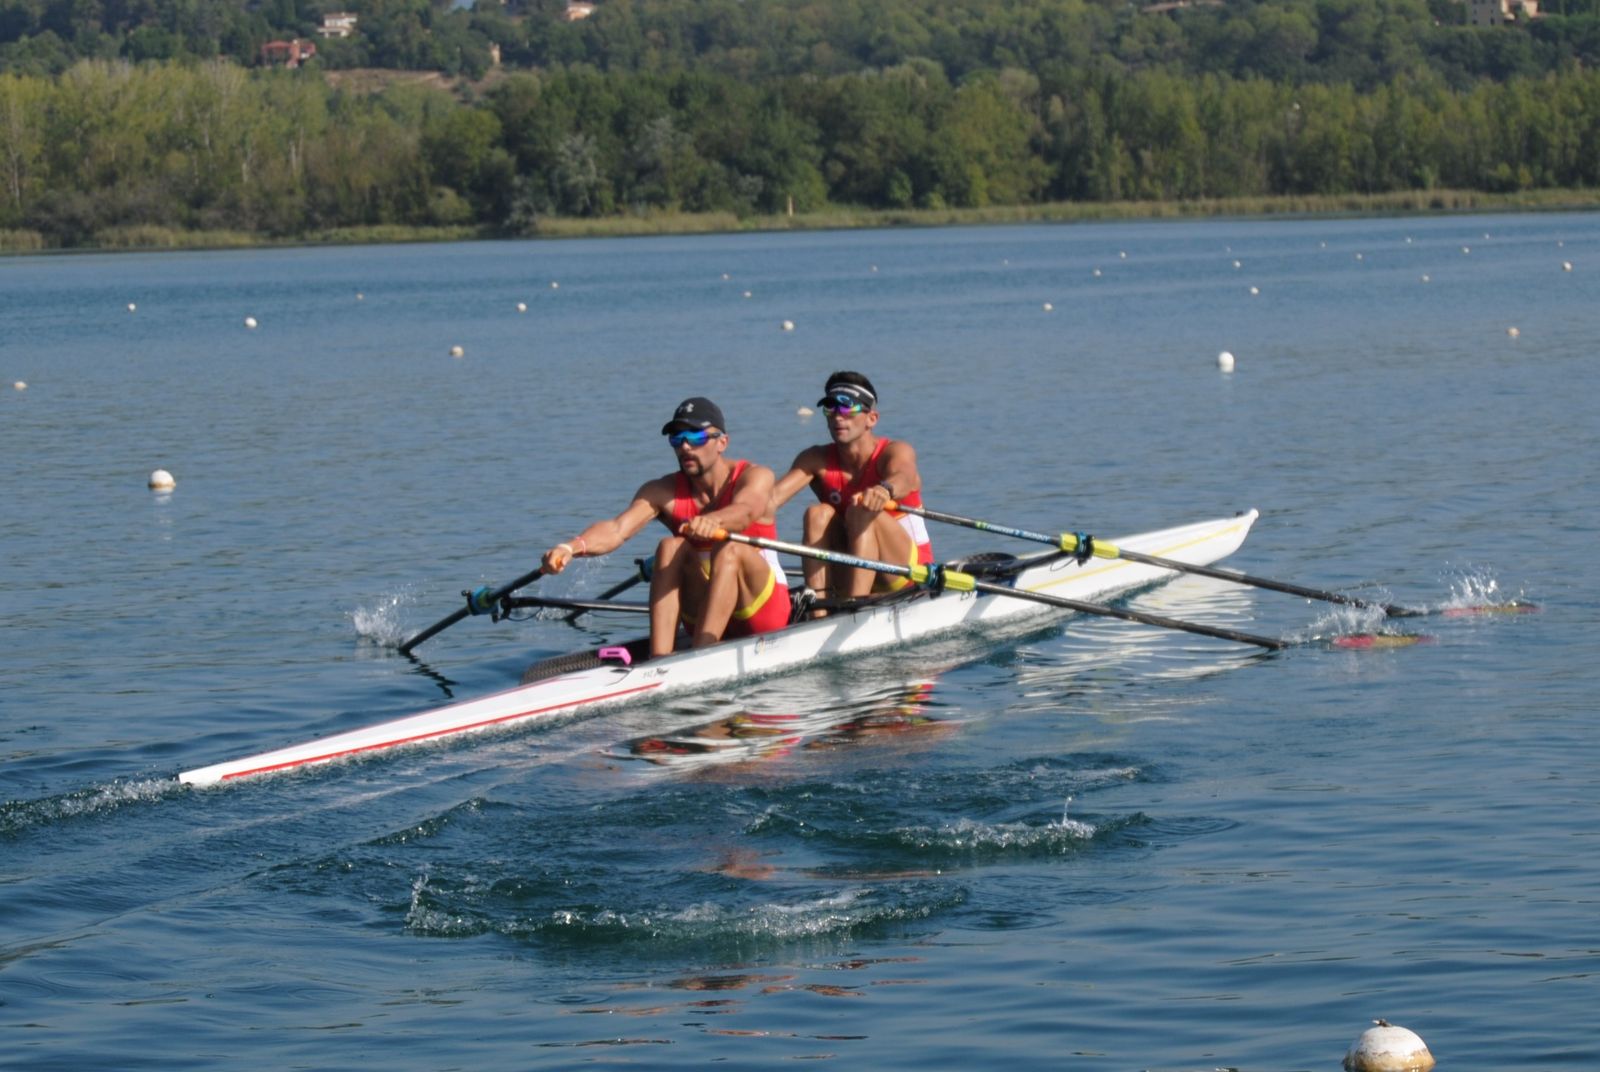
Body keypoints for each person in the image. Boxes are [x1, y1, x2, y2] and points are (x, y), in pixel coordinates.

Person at [541, 397, 790, 658]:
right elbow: (616, 529)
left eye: (695, 437)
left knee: (729, 549)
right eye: (676, 438)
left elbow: (746, 511)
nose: (684, 446)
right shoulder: (662, 490)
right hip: (703, 610)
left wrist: (714, 521)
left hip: (762, 610)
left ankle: (703, 654)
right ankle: (659, 660)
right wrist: (569, 547)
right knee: (670, 547)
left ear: (722, 442)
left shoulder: (755, 475)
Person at [771, 371, 931, 609]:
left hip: (906, 573)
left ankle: (853, 609)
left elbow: (905, 476)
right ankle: (820, 613)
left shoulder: (894, 452)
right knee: (817, 514)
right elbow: (768, 502)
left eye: (847, 408)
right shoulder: (815, 459)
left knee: (860, 507)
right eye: (830, 408)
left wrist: (884, 490)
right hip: (854, 569)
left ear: (872, 418)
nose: (837, 416)